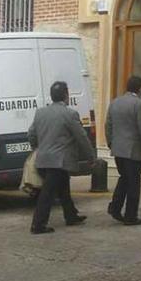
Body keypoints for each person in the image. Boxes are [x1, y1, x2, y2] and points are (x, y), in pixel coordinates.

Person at [28, 81, 96, 234]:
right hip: (59, 161)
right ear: (66, 95)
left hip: (44, 159)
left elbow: (31, 134)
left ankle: (71, 215)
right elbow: (81, 137)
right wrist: (91, 156)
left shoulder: (40, 112)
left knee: (63, 187)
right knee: (47, 193)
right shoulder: (70, 114)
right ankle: (38, 224)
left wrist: (37, 147)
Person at [106, 75, 141, 225]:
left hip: (118, 149)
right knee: (133, 182)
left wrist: (111, 143)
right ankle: (130, 215)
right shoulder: (139, 104)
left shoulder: (115, 102)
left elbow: (108, 125)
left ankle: (115, 207)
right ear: (140, 88)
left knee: (124, 178)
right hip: (133, 150)